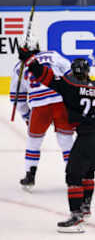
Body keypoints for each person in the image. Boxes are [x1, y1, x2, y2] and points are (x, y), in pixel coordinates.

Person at [17, 49, 95, 233]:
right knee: (88, 172)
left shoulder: (69, 85)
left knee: (73, 175)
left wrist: (29, 59)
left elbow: (44, 75)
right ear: (87, 72)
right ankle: (85, 207)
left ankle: (76, 217)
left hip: (87, 138)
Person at [10, 43, 74, 191]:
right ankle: (73, 176)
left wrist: (27, 115)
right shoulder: (52, 54)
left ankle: (30, 175)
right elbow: (70, 74)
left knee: (33, 141)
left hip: (39, 107)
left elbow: (16, 97)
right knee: (66, 141)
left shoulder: (19, 67)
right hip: (60, 102)